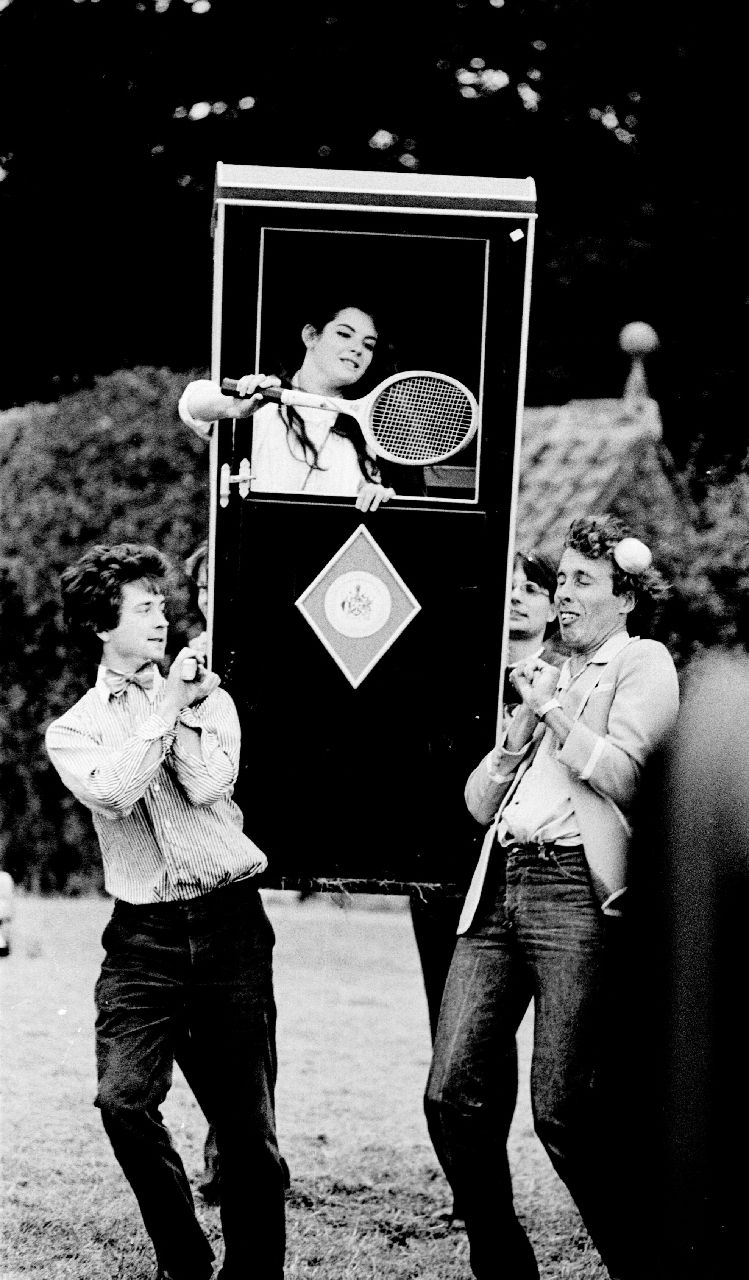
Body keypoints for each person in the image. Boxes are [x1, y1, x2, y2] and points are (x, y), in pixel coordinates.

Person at [424, 514, 680, 1280]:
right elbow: (476, 805)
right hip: (499, 886)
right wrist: (513, 736)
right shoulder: (547, 672)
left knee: (563, 1113)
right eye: (560, 579)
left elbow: (630, 776)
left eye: (579, 582)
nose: (559, 595)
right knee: (451, 1094)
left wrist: (554, 713)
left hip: (575, 893)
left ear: (624, 597)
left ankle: (648, 1266)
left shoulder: (643, 663)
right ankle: (504, 1267)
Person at [45, 542, 285, 1280]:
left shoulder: (208, 696)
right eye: (144, 607)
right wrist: (167, 708)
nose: (162, 618)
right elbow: (116, 791)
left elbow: (212, 784)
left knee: (245, 1131)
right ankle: (184, 1261)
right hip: (141, 937)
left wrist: (180, 707)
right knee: (122, 1100)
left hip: (229, 926)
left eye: (160, 604)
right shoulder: (73, 728)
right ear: (100, 625)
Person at [410, 547, 562, 1227]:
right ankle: (475, 1189)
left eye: (534, 587)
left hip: (538, 880)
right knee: (463, 1044)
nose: (521, 598)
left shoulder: (571, 682)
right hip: (453, 880)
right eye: (510, 586)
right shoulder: (459, 677)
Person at [178, 302, 401, 511]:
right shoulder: (263, 398)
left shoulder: (363, 429)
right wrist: (233, 407)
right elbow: (191, 404)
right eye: (344, 334)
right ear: (311, 336)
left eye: (368, 345)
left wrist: (375, 495)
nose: (357, 349)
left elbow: (359, 504)